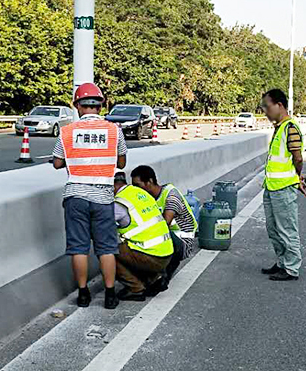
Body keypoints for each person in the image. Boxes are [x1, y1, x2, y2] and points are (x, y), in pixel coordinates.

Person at [52, 83, 126, 310]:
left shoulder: (66, 131)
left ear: (77, 106)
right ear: (101, 105)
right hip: (103, 197)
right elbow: (121, 163)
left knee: (78, 247)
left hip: (75, 196)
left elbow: (57, 163)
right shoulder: (115, 131)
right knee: (107, 248)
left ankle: (83, 294)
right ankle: (110, 295)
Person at [260, 88, 306, 282]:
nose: (265, 111)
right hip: (271, 186)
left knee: (287, 228)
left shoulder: (290, 128)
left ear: (279, 105)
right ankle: (281, 262)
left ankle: (291, 268)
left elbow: (298, 158)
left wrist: (297, 177)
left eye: (267, 106)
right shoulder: (279, 127)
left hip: (283, 187)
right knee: (273, 228)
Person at [130, 165, 198, 290]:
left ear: (149, 182)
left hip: (182, 243)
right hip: (166, 238)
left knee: (160, 236)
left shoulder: (171, 196)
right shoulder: (146, 198)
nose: (135, 190)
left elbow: (164, 224)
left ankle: (164, 276)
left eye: (137, 185)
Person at [112, 172, 174, 301]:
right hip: (167, 252)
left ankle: (135, 289)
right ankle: (153, 278)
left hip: (152, 256)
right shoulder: (140, 193)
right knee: (130, 246)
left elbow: (101, 226)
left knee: (106, 250)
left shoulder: (119, 203)